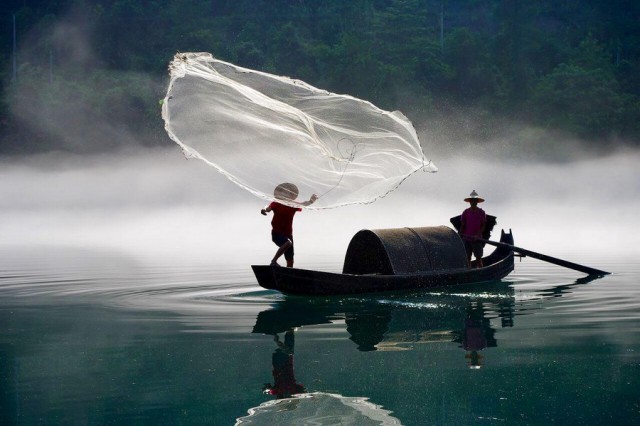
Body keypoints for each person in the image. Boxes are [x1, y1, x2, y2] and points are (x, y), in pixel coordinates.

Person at [261, 183, 317, 267]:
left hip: (288, 234)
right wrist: (264, 210)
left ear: (291, 195)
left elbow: (304, 204)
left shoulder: (293, 205)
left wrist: (311, 201)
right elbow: (268, 208)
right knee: (288, 243)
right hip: (277, 233)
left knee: (290, 258)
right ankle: (273, 262)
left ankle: (289, 273)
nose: (286, 194)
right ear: (280, 194)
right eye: (284, 192)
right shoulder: (276, 203)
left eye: (288, 192)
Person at [459, 190, 487, 268]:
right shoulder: (465, 212)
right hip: (466, 239)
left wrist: (478, 234)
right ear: (470, 202)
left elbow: (483, 226)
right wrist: (460, 236)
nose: (473, 202)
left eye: (475, 201)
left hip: (477, 239)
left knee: (478, 258)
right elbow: (463, 225)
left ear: (477, 202)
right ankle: (468, 271)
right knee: (467, 257)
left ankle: (481, 271)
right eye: (472, 201)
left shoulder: (481, 212)